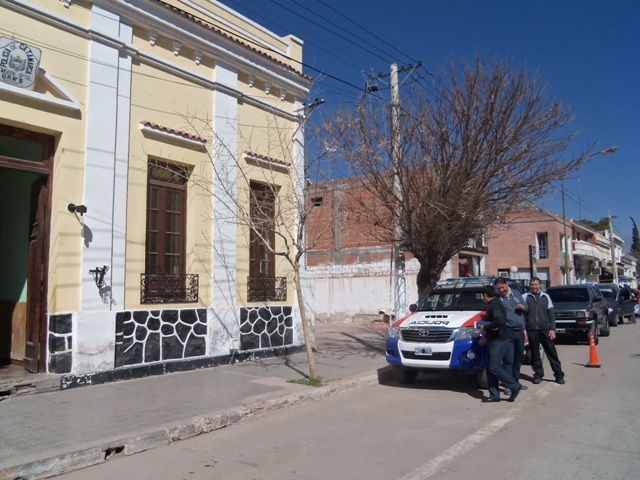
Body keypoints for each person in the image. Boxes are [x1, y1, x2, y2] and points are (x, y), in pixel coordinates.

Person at [479, 286, 522, 402]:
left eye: (482, 295)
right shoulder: (494, 304)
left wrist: (485, 327)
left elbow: (499, 321)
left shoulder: (495, 305)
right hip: (494, 339)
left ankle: (514, 385)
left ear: (486, 295)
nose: (482, 298)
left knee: (494, 367)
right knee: (490, 368)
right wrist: (486, 337)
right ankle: (494, 395)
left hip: (499, 340)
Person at [522, 277, 565, 384]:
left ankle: (559, 375)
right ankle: (538, 374)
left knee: (552, 353)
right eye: (532, 284)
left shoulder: (546, 296)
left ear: (540, 285)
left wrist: (552, 329)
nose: (534, 286)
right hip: (531, 330)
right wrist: (524, 329)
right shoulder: (525, 297)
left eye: (536, 284)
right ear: (529, 285)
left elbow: (551, 314)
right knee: (535, 354)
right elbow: (522, 315)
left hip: (545, 330)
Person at [494, 277, 527, 389]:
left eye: (502, 287)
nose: (501, 290)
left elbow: (526, 307)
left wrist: (523, 307)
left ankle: (515, 382)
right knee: (509, 359)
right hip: (508, 331)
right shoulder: (498, 299)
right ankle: (509, 385)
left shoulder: (516, 293)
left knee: (518, 358)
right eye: (498, 288)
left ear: (506, 284)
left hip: (520, 331)